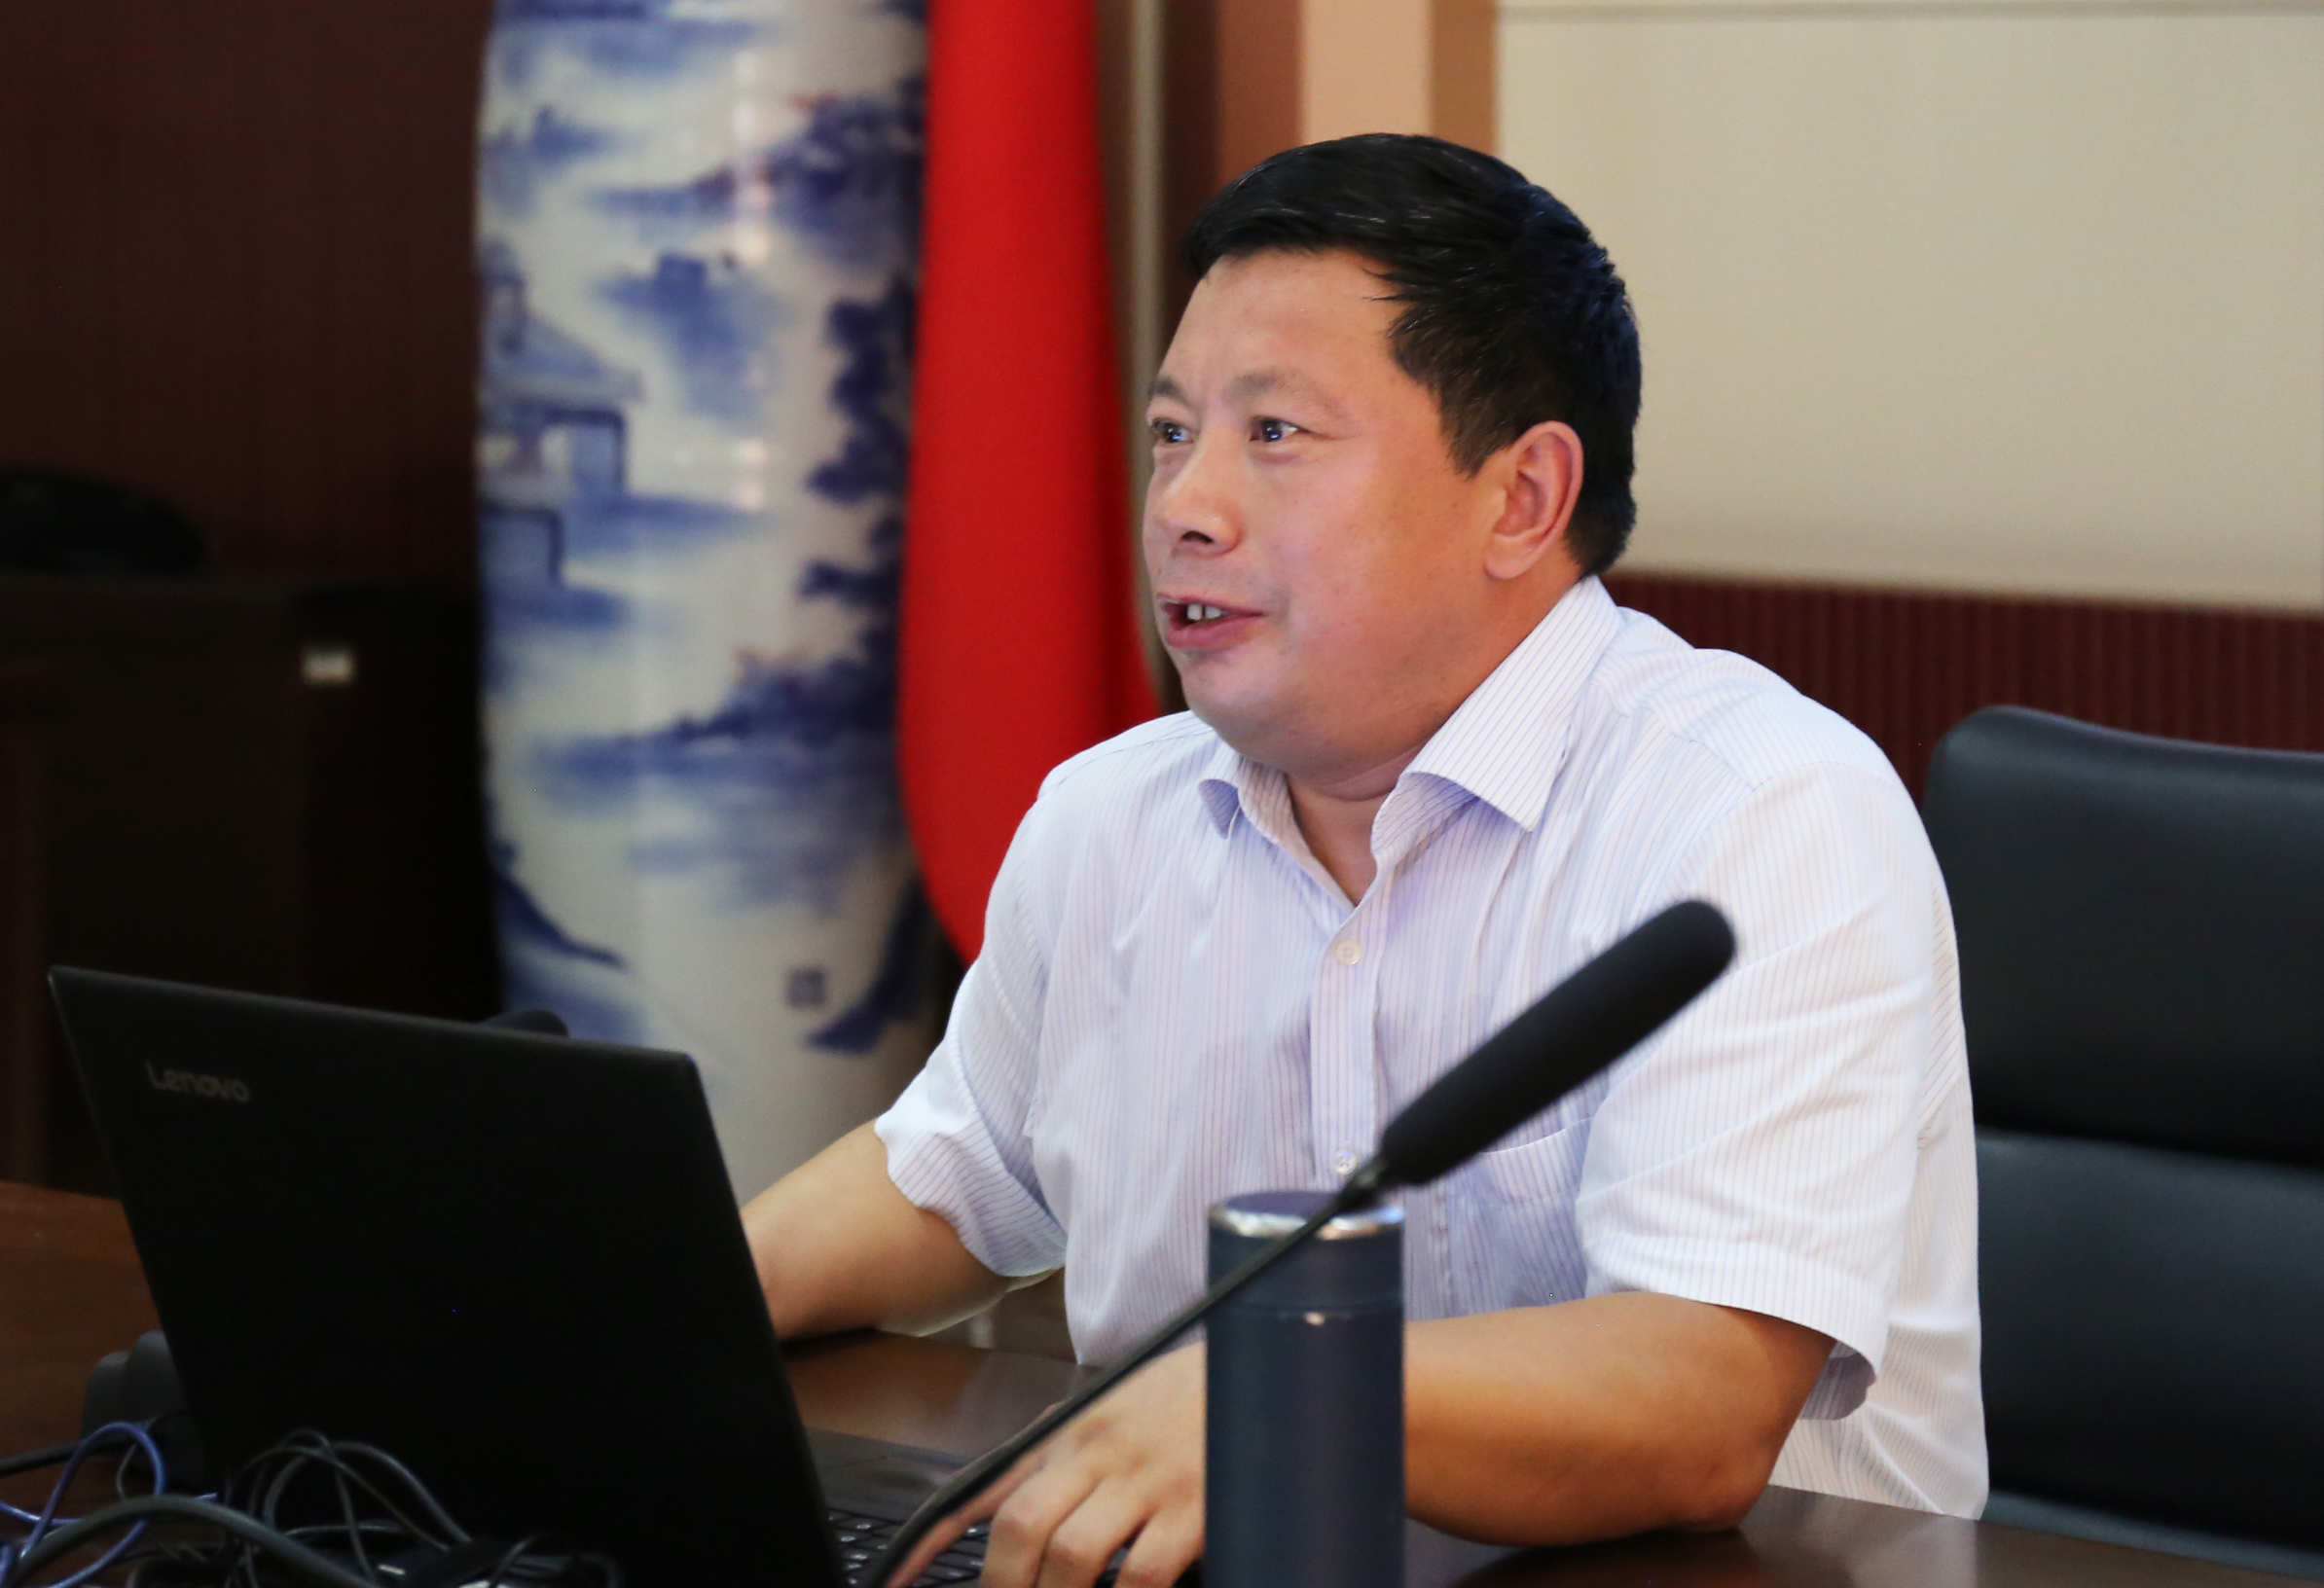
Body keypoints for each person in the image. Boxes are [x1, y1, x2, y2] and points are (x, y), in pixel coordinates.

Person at [744, 134, 1983, 1588]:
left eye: (1274, 434)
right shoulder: (1109, 817)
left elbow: (1700, 1401)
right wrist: (652, 1299)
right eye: (1171, 433)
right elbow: (951, 1179)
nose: (1184, 504)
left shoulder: (1757, 816)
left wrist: (1277, 1394)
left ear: (1521, 498)